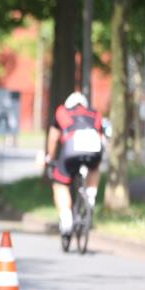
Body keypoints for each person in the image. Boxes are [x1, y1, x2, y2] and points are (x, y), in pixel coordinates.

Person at [46, 91, 104, 240]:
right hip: (93, 147)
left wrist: (50, 158)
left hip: (71, 148)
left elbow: (53, 138)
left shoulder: (62, 112)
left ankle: (66, 219)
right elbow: (101, 137)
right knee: (94, 168)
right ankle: (91, 195)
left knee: (60, 183)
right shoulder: (95, 113)